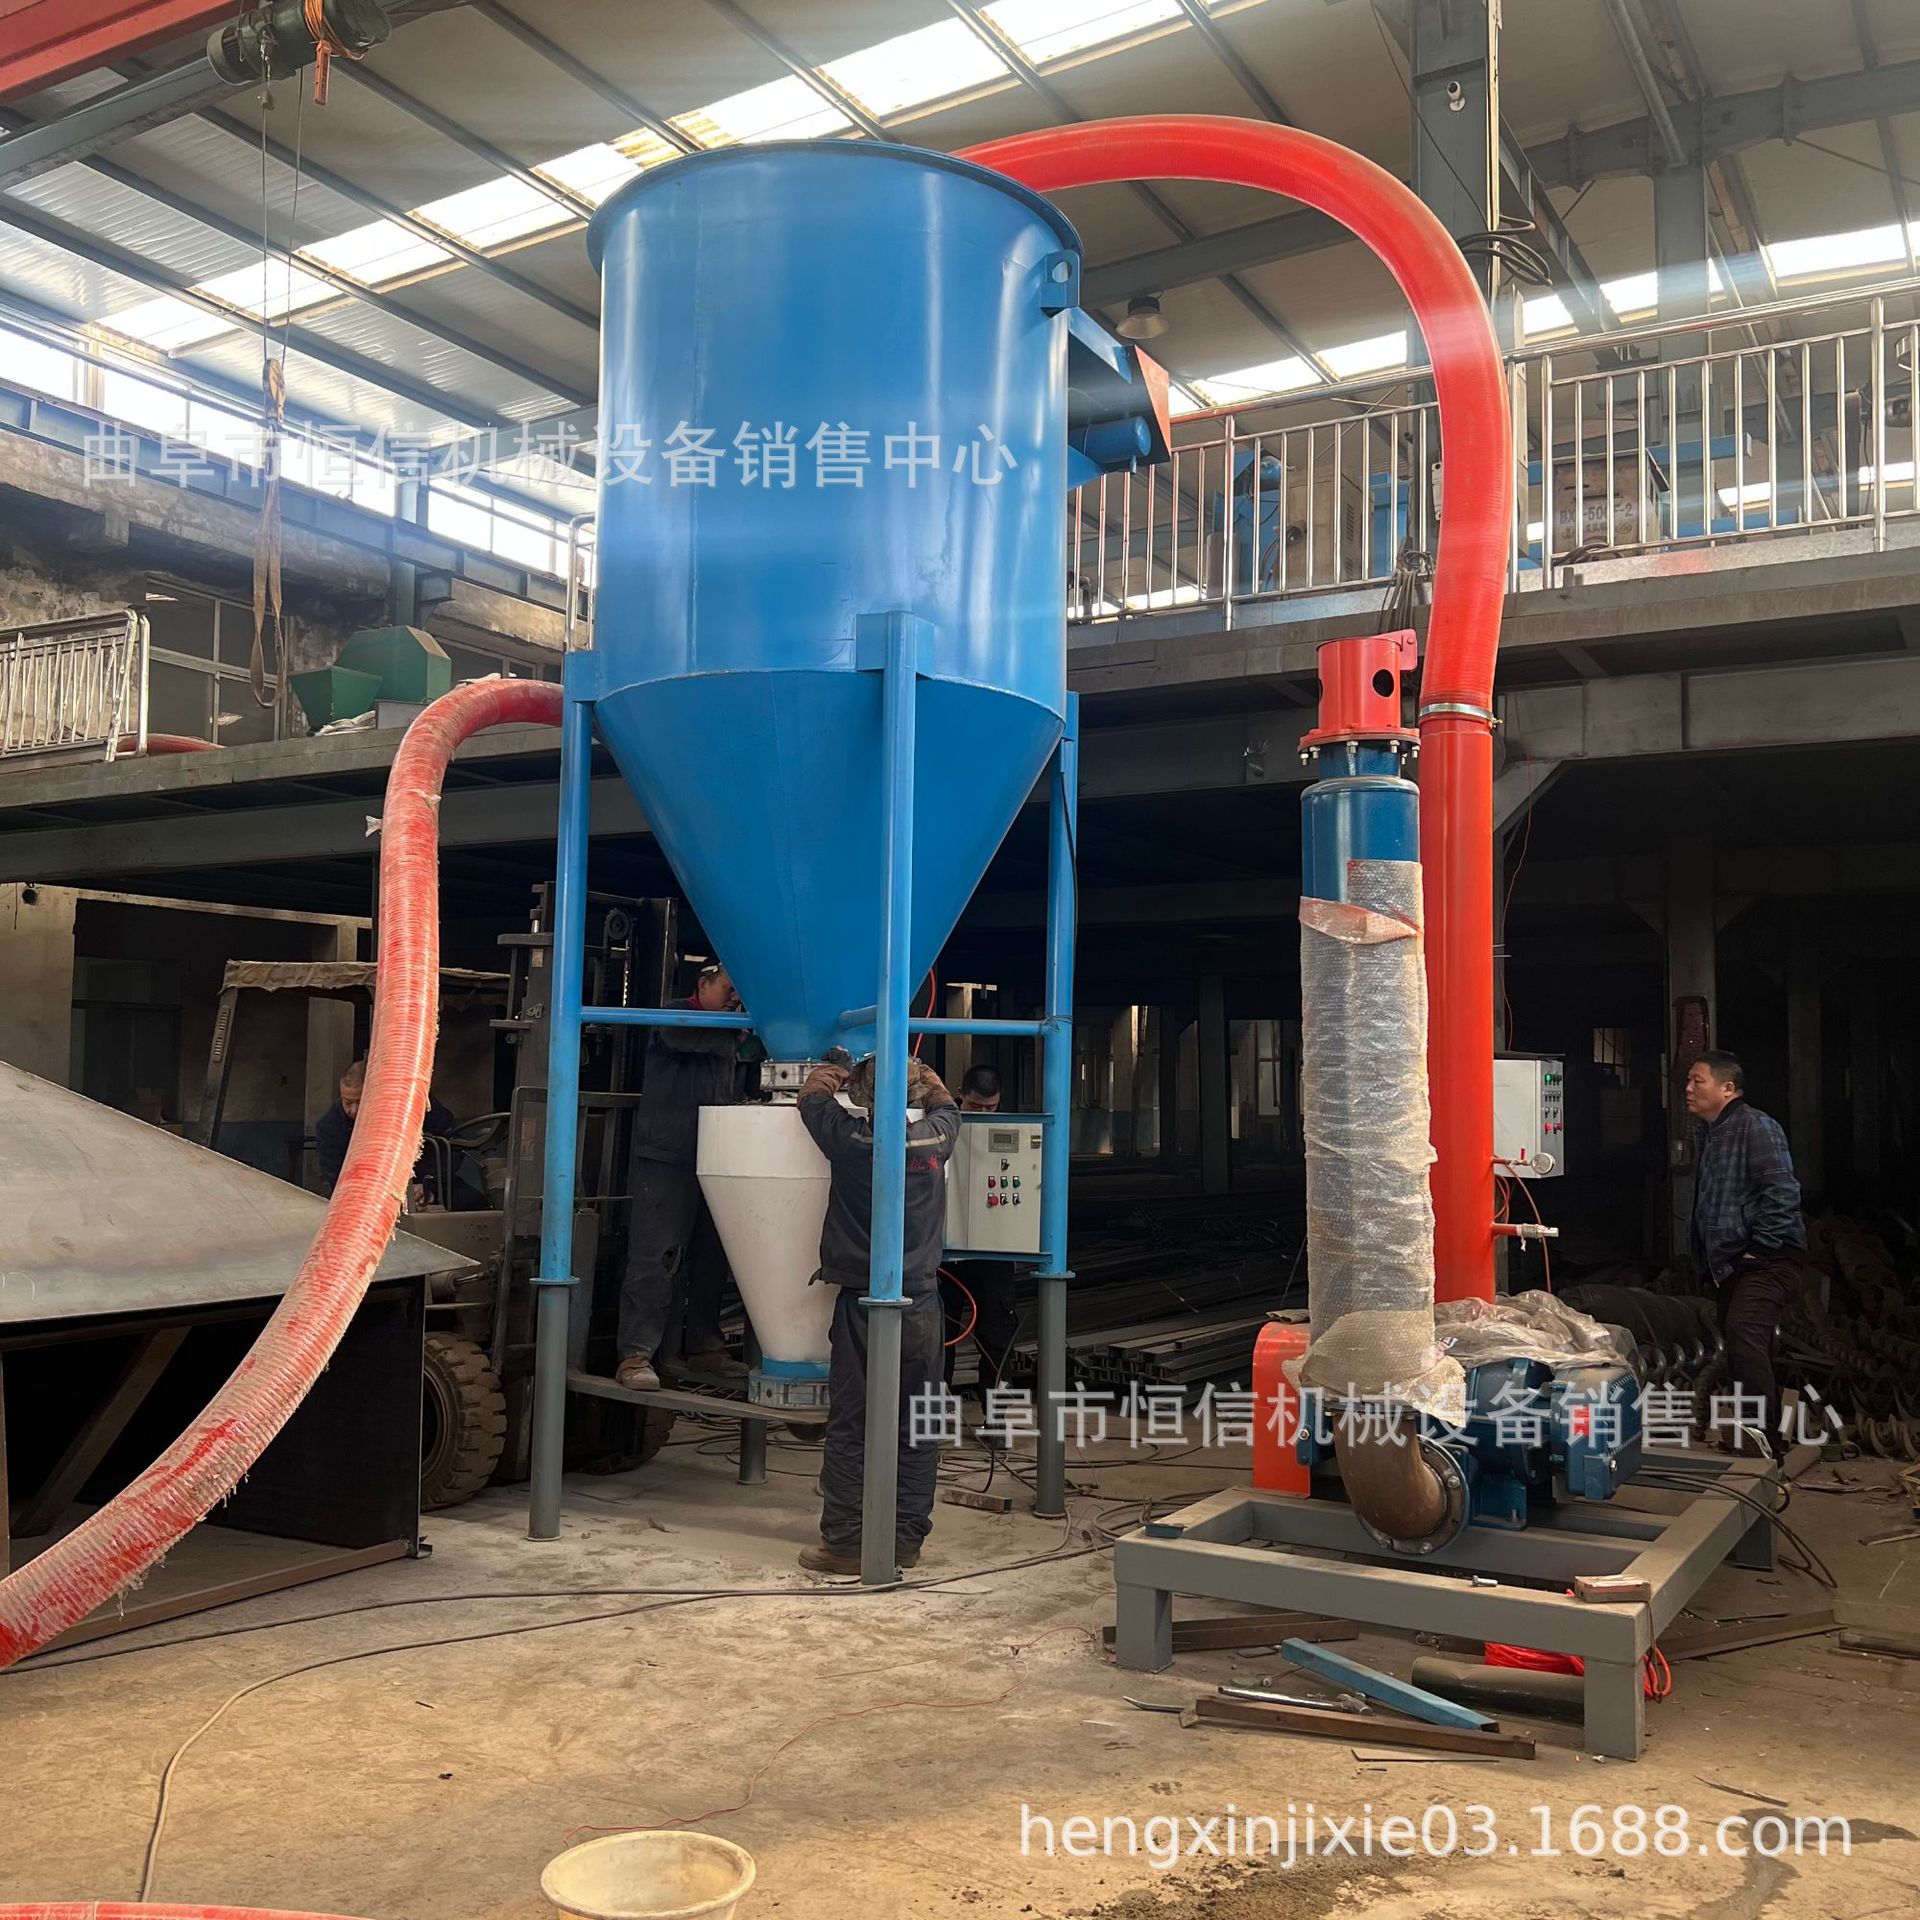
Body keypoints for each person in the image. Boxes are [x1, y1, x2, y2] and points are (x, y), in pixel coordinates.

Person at [794, 1051, 961, 1575]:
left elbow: (812, 1098)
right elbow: (947, 1106)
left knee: (852, 1421)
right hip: (922, 1301)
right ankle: (905, 1539)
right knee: (919, 1423)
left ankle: (845, 1543)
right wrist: (922, 1075)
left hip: (865, 1301)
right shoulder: (935, 1139)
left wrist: (838, 1067)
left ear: (864, 1099)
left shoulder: (851, 1142)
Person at [616, 963, 758, 1393]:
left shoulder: (735, 1031)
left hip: (718, 1158)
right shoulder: (673, 1018)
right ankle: (636, 1354)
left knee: (714, 1256)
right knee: (657, 1254)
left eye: (741, 993)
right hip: (668, 1155)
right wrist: (749, 1032)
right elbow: (696, 1037)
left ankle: (704, 1346)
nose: (735, 999)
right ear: (703, 984)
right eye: (730, 988)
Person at [1685, 1049, 1807, 1453]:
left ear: (1727, 1088)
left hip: (1767, 1261)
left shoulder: (1755, 1126)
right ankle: (1751, 1437)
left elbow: (1783, 1191)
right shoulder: (1710, 1133)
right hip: (1732, 1263)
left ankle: (1762, 1441)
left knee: (1744, 1332)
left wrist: (1760, 1247)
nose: (1688, 1089)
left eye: (1697, 1080)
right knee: (1741, 1346)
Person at [941, 1064, 1024, 1402]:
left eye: (991, 1107)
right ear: (961, 1095)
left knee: (997, 1337)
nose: (984, 1114)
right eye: (975, 1106)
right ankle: (934, 1414)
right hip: (943, 1254)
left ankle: (997, 1418)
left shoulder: (1012, 1131)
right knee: (938, 1337)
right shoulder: (938, 1127)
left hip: (993, 1251)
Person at [315, 1058, 458, 1203]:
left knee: (467, 1199)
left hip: (425, 1181)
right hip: (364, 1193)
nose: (354, 1110)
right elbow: (335, 1175)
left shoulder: (416, 1104)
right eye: (347, 1102)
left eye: (361, 1101)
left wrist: (429, 1185)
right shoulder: (331, 1125)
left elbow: (451, 1146)